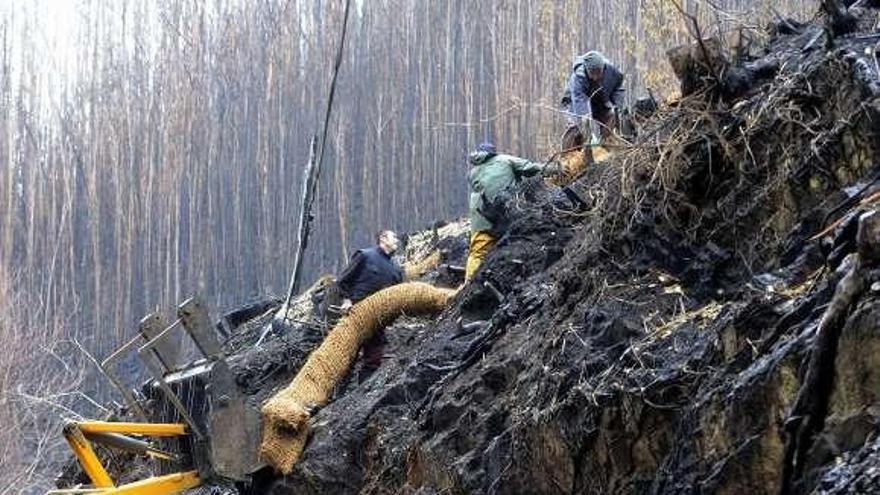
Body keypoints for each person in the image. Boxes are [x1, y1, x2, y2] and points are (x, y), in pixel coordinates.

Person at [465, 142, 558, 281]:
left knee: (477, 254)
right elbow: (531, 167)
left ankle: (467, 286)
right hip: (508, 215)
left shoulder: (472, 173)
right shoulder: (505, 159)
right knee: (522, 242)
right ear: (493, 152)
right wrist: (556, 169)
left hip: (481, 219)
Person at [335, 229, 403, 381]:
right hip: (356, 313)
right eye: (394, 237)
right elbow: (343, 280)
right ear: (383, 238)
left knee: (373, 359)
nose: (397, 241)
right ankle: (336, 394)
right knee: (345, 357)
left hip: (378, 319)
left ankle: (363, 394)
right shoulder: (365, 256)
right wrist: (347, 300)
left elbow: (397, 296)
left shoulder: (396, 270)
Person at [561, 50, 625, 147]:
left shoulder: (611, 72)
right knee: (576, 128)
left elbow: (618, 88)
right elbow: (579, 102)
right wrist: (586, 129)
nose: (595, 77)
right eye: (592, 73)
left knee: (610, 116)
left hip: (598, 101)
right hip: (573, 103)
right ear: (587, 70)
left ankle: (605, 148)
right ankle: (571, 155)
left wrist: (617, 106)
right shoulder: (578, 78)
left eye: (598, 73)